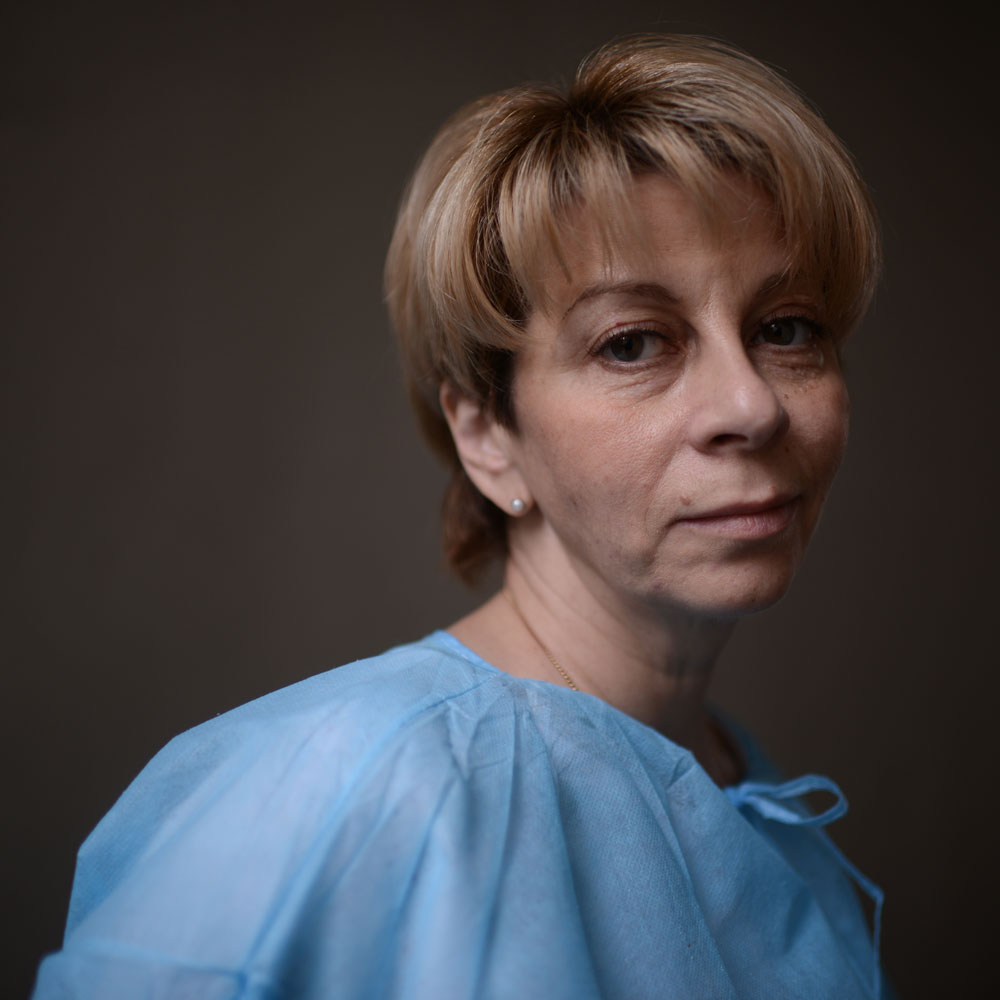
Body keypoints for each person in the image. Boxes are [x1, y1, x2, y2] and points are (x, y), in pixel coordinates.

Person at [33, 34, 885, 999]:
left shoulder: (758, 804)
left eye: (786, 329)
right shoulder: (336, 785)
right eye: (633, 342)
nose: (751, 406)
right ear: (486, 434)